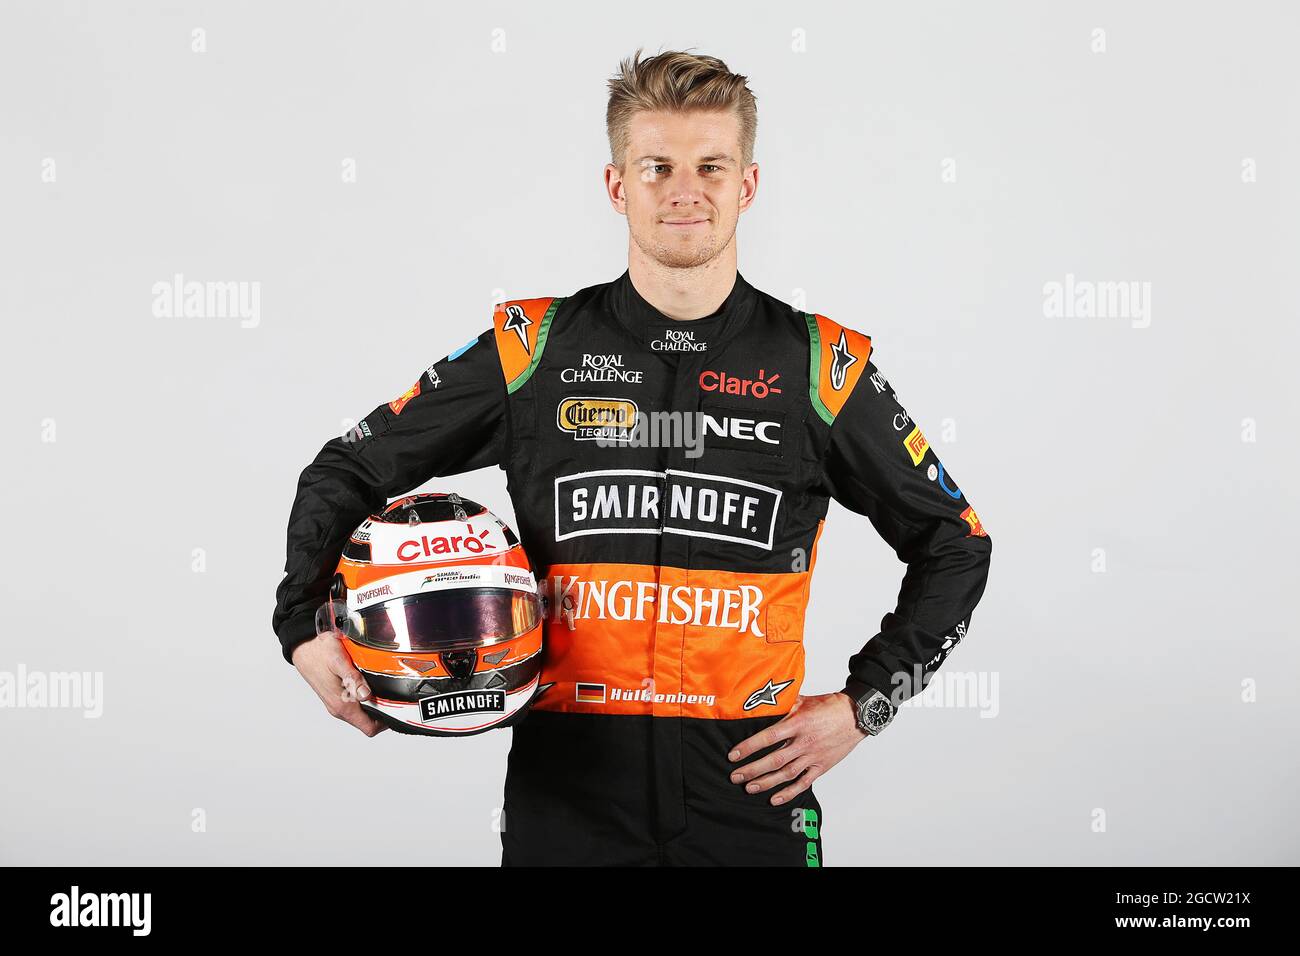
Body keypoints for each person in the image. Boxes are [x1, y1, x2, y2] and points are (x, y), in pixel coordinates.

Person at [272, 48, 992, 866]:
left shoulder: (821, 367)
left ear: (747, 185)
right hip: (569, 795)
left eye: (710, 166)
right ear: (617, 186)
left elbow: (956, 542)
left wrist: (866, 705)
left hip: (751, 793)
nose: (685, 190)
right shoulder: (531, 350)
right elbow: (348, 467)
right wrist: (301, 625)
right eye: (657, 167)